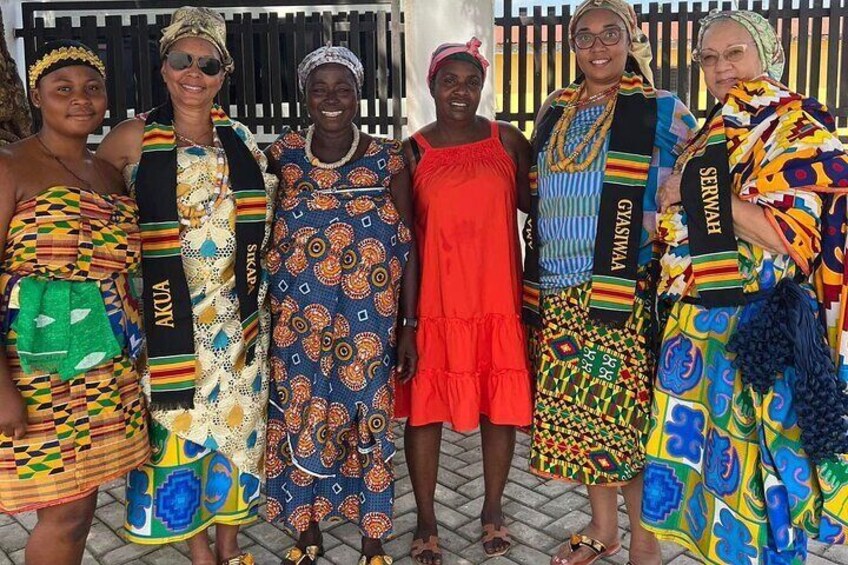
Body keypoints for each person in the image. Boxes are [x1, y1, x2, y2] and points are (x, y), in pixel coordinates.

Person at [641, 9, 848, 564]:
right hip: (694, 331)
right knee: (710, 490)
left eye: (735, 53)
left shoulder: (795, 127)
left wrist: (690, 187)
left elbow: (787, 236)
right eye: (708, 57)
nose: (721, 67)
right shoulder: (714, 130)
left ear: (769, 54)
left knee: (761, 487)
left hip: (754, 333)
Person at [521, 1, 698, 563]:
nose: (597, 47)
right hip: (556, 289)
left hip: (619, 291)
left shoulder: (662, 108)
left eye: (610, 33)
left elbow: (697, 181)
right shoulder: (555, 108)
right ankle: (604, 529)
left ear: (632, 38)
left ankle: (644, 545)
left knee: (622, 422)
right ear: (572, 45)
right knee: (585, 418)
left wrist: (660, 214)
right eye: (585, 36)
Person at [97, 7, 274, 564]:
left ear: (224, 75)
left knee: (238, 441)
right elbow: (98, 219)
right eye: (182, 60)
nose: (194, 73)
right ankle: (200, 553)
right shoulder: (130, 139)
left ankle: (231, 547)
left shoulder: (241, 140)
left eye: (208, 64)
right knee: (177, 438)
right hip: (168, 324)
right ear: (164, 66)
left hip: (239, 326)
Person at [263, 45, 417, 565]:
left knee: (367, 415)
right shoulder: (283, 155)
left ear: (359, 95)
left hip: (368, 323)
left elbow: (409, 245)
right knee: (302, 414)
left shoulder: (388, 157)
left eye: (343, 88)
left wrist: (410, 326)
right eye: (319, 89)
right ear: (305, 96)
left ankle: (373, 537)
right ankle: (306, 530)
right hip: (297, 324)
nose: (332, 99)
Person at [0, 40, 149, 564]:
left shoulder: (107, 172)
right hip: (37, 366)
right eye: (62, 89)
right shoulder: (10, 166)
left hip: (105, 363)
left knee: (81, 508)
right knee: (63, 512)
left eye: (92, 88)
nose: (80, 98)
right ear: (36, 97)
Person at [393, 37, 533, 565]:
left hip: (497, 300)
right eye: (449, 80)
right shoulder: (412, 152)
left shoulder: (508, 141)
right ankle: (426, 519)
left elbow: (541, 207)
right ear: (431, 85)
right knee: (424, 413)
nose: (461, 91)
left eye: (471, 82)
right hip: (435, 306)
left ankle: (492, 508)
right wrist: (407, 323)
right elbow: (404, 239)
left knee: (498, 407)